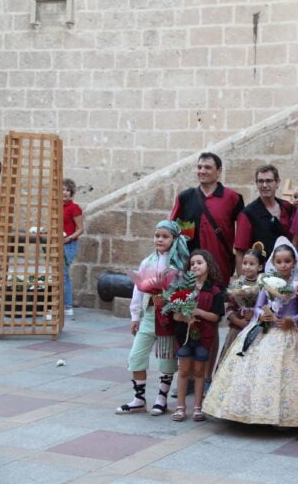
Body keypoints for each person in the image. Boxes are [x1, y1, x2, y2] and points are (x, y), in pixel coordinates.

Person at [204, 238, 298, 427]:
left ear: (294, 262)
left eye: (287, 261)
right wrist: (263, 315)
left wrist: (291, 320)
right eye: (279, 262)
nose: (283, 265)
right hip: (266, 330)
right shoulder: (267, 282)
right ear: (273, 263)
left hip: (290, 333)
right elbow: (260, 306)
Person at [170, 152, 243, 388]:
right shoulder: (185, 197)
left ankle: (207, 377)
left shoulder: (233, 198)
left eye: (208, 167)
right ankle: (186, 377)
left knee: (210, 325)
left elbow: (240, 237)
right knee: (184, 322)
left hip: (218, 273)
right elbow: (173, 233)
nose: (202, 171)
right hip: (188, 275)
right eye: (199, 167)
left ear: (219, 171)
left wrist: (240, 272)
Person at [115, 220, 189, 416]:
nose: (160, 239)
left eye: (165, 236)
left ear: (174, 238)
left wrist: (170, 301)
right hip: (149, 314)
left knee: (166, 358)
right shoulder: (147, 262)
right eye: (157, 236)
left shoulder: (179, 263)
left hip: (168, 316)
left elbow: (183, 289)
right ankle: (139, 399)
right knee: (136, 356)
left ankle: (161, 398)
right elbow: (137, 290)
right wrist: (134, 316)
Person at [171, 250, 226, 422]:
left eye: (199, 262)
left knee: (199, 371)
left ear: (208, 266)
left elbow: (216, 317)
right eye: (192, 263)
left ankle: (197, 407)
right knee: (184, 370)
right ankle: (180, 407)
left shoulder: (215, 291)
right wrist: (183, 316)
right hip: (185, 336)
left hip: (204, 336)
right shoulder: (184, 289)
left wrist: (198, 312)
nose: (195, 265)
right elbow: (174, 314)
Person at [235, 165, 295, 265]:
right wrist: (243, 279)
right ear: (256, 184)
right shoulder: (247, 214)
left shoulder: (288, 207)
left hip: (288, 270)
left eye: (269, 181)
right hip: (261, 274)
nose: (264, 185)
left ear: (277, 183)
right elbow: (240, 252)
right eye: (260, 181)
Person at [218, 243, 265, 368]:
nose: (247, 267)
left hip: (257, 329)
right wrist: (238, 321)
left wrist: (255, 315)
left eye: (251, 264)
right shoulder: (236, 285)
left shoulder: (264, 285)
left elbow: (267, 306)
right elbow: (229, 307)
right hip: (237, 328)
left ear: (260, 266)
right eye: (245, 263)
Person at [63, 179, 84, 317]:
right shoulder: (56, 206)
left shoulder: (74, 208)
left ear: (71, 193)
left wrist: (69, 238)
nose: (65, 193)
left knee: (64, 275)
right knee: (56, 275)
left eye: (68, 190)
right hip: (56, 244)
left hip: (69, 245)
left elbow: (81, 229)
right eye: (63, 189)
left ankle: (68, 306)